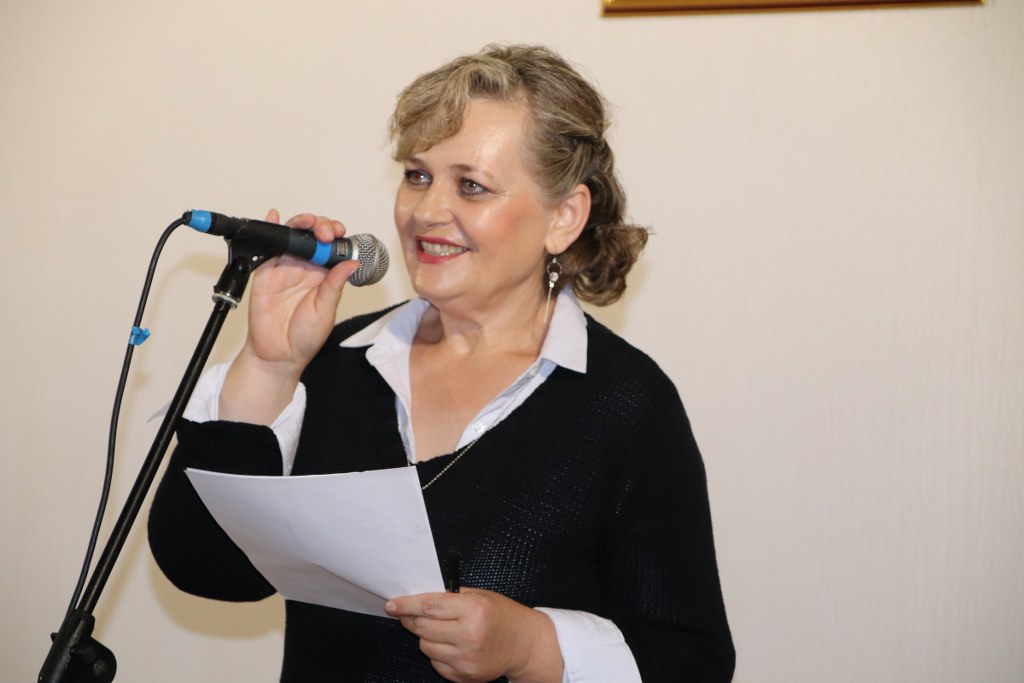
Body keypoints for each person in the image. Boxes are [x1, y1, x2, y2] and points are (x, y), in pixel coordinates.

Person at [148, 44, 735, 682]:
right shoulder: (335, 364)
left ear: (563, 217)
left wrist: (534, 647)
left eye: (471, 185)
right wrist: (268, 367)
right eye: (417, 176)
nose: (425, 212)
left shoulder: (626, 405)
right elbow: (207, 570)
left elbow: (693, 662)